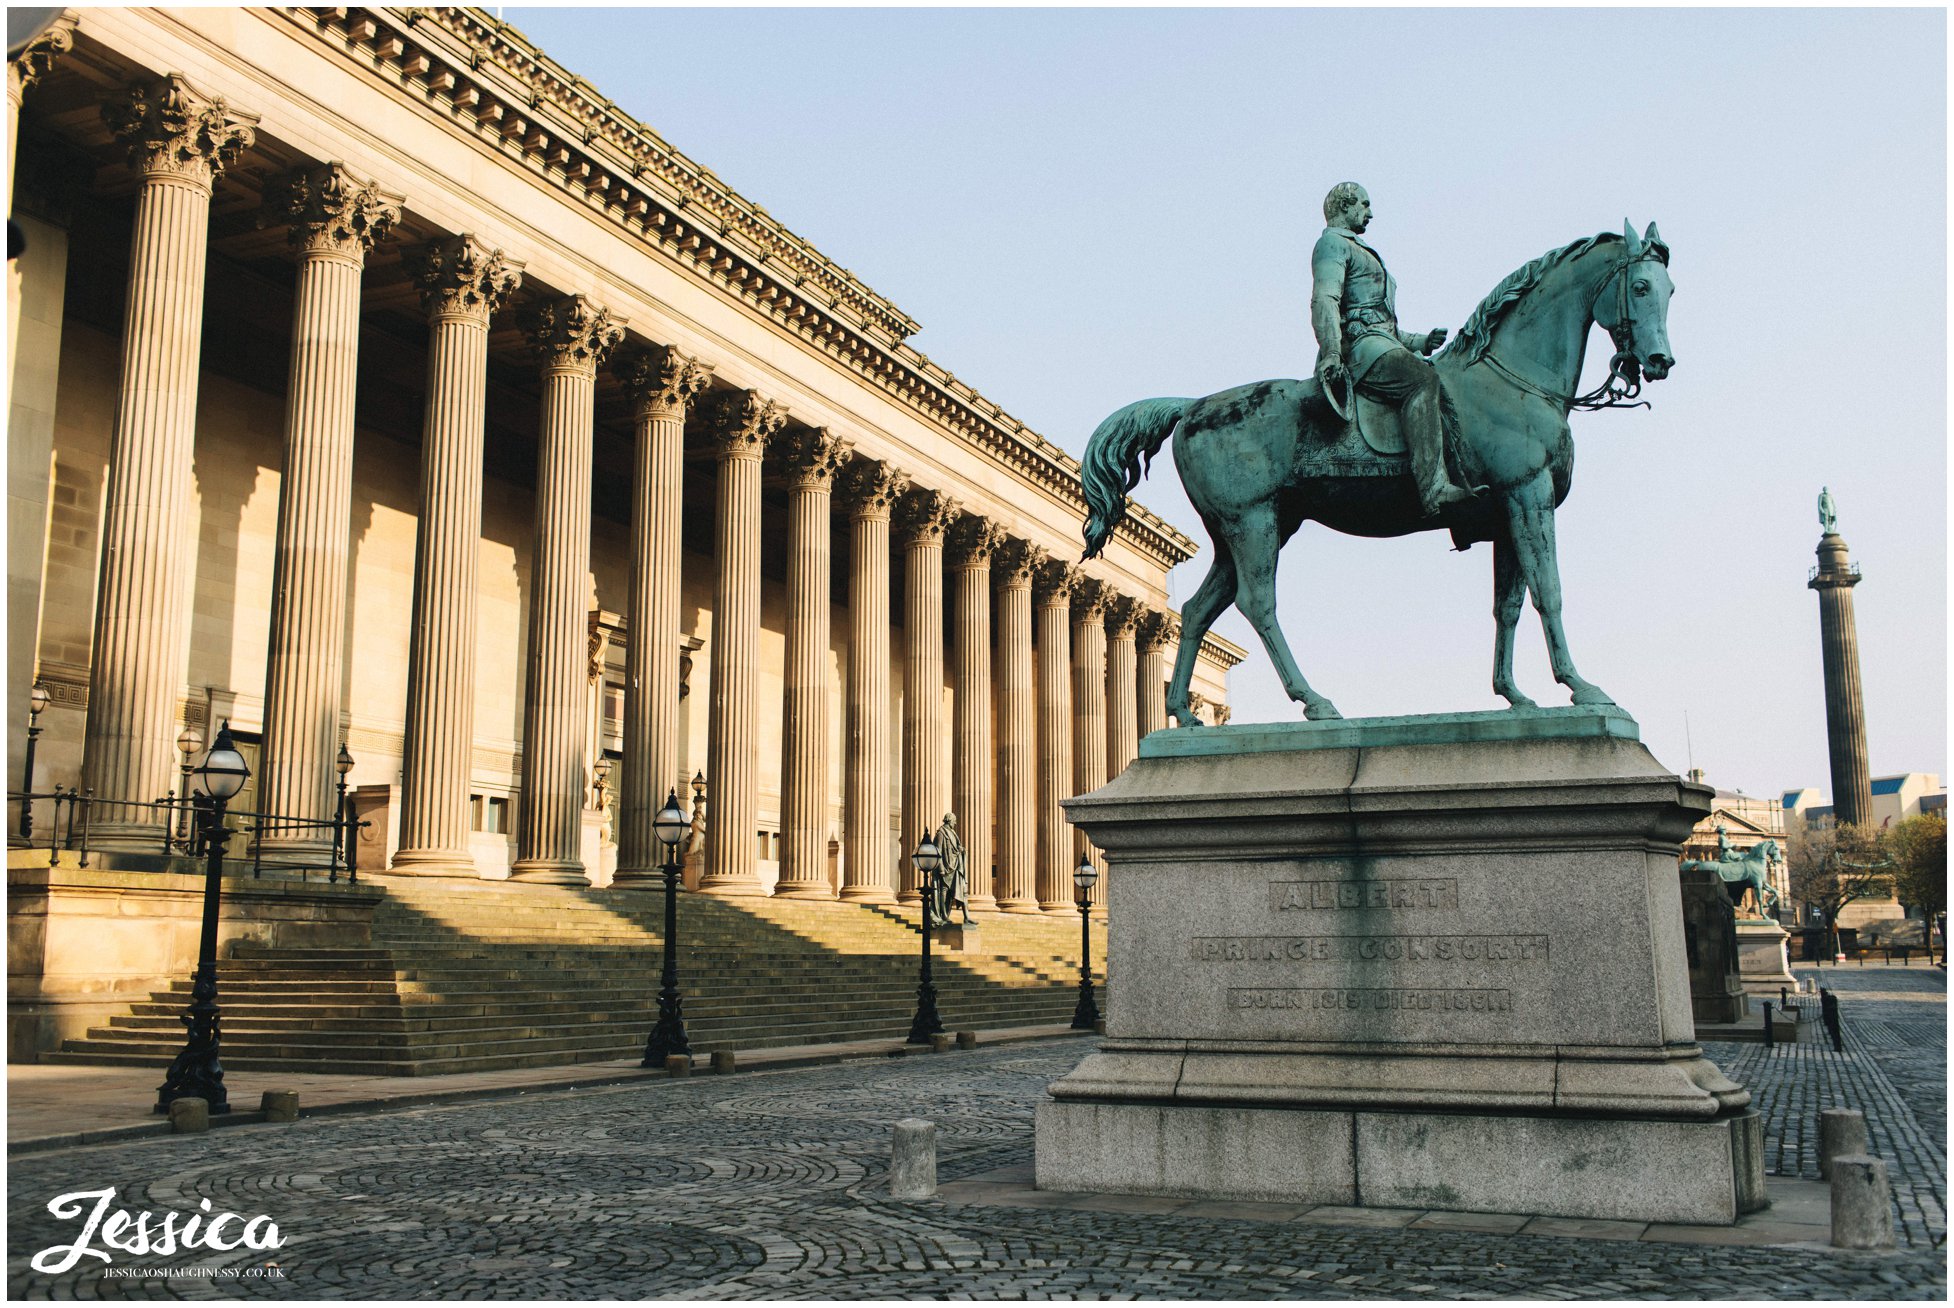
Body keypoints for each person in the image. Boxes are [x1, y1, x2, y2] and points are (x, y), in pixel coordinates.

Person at [1310, 182, 1475, 516]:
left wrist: (1420, 341)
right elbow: (1325, 299)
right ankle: (1434, 489)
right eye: (1364, 205)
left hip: (1379, 342)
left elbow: (1385, 323)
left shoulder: (1358, 248)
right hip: (1359, 348)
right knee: (1421, 381)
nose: (1370, 212)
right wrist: (1330, 351)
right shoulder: (1332, 243)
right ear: (1345, 205)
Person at [932, 813, 970, 928]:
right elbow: (937, 851)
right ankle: (943, 915)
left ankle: (964, 917)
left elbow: (955, 848)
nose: (956, 823)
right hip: (946, 868)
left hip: (955, 867)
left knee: (956, 892)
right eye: (954, 821)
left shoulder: (953, 833)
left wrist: (961, 850)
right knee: (943, 891)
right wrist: (941, 868)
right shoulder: (941, 834)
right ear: (949, 820)